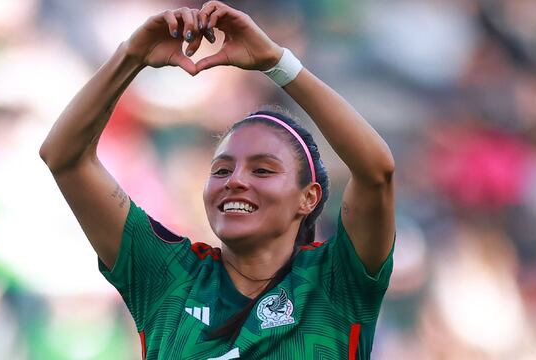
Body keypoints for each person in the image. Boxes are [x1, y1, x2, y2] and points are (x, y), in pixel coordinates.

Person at [39, 2, 395, 359]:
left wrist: (278, 64)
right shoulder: (168, 278)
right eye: (222, 170)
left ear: (309, 198)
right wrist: (131, 56)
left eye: (263, 170)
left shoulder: (335, 281)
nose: (235, 181)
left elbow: (375, 171)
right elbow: (64, 157)